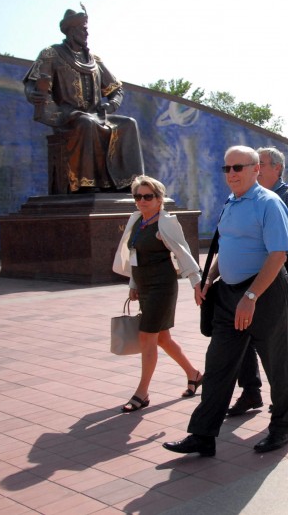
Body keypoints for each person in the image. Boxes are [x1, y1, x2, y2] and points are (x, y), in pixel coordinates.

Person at [162, 146, 288, 457]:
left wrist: (251, 296)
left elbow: (278, 254)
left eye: (238, 167)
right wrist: (209, 279)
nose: (232, 174)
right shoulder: (231, 203)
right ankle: (202, 435)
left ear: (255, 170)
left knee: (277, 365)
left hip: (263, 295)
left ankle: (281, 428)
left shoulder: (269, 203)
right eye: (227, 169)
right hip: (228, 295)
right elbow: (229, 247)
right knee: (218, 365)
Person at [228, 146, 288, 416]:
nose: (256, 167)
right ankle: (251, 391)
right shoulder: (245, 197)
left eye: (261, 163)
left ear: (277, 168)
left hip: (282, 277)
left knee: (287, 338)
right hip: (251, 279)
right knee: (243, 334)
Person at [23, 6, 144, 193]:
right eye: (82, 28)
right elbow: (32, 83)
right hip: (67, 116)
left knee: (129, 123)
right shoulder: (51, 53)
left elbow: (116, 89)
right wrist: (33, 94)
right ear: (71, 30)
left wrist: (112, 104)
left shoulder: (95, 60)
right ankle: (87, 184)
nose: (86, 32)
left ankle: (131, 183)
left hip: (97, 114)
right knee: (86, 123)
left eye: (86, 28)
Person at [111, 175, 204, 412]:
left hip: (162, 287)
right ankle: (194, 374)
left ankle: (142, 393)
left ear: (160, 198)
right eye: (138, 196)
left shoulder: (166, 222)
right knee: (162, 338)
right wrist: (133, 284)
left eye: (148, 196)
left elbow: (183, 253)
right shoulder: (136, 220)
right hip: (144, 286)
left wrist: (197, 282)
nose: (142, 201)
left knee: (147, 338)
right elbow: (134, 257)